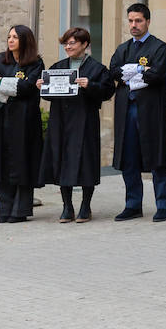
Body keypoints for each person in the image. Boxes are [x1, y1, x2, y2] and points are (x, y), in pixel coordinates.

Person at [38, 27, 116, 223]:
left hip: (85, 121)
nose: (68, 46)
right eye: (65, 43)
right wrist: (42, 87)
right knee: (62, 161)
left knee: (86, 162)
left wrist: (90, 85)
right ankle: (67, 206)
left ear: (85, 44)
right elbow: (49, 94)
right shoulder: (57, 66)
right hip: (61, 121)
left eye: (72, 43)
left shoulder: (97, 69)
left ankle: (85, 206)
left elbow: (108, 91)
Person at [108, 3, 166, 222]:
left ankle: (163, 205)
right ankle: (133, 204)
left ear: (147, 21)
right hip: (127, 110)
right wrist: (139, 70)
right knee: (129, 158)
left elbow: (156, 74)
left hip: (151, 111)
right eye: (130, 21)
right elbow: (114, 71)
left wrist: (132, 72)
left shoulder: (160, 48)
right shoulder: (123, 48)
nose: (133, 25)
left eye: (138, 21)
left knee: (157, 158)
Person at [0, 25, 45, 224]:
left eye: (15, 37)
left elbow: (29, 88)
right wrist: (12, 89)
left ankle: (19, 211)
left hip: (25, 120)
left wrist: (4, 83)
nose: (10, 40)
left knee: (22, 162)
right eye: (9, 36)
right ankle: (4, 210)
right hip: (1, 119)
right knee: (1, 162)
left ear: (25, 40)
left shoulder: (35, 63)